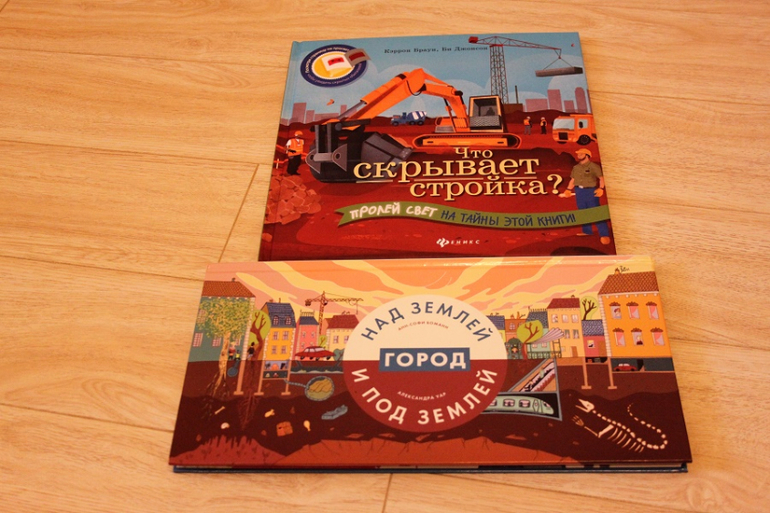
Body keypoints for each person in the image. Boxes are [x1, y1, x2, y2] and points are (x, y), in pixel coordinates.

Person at [560, 148, 611, 245]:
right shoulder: (576, 167)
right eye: (578, 154)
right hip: (579, 191)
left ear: (587, 155)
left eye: (581, 154)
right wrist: (568, 189)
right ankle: (587, 231)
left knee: (595, 212)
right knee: (583, 211)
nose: (578, 156)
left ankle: (604, 234)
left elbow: (601, 178)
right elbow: (573, 180)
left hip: (591, 191)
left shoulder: (594, 166)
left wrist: (601, 188)